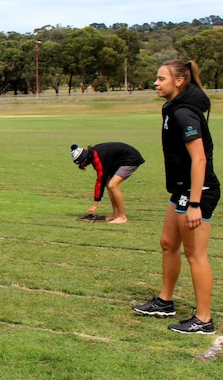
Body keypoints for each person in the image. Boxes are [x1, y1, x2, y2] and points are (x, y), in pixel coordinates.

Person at [132, 60, 220, 334]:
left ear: (179, 81)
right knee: (168, 242)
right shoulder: (173, 109)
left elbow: (200, 159)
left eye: (161, 78)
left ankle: (203, 319)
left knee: (195, 254)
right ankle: (165, 302)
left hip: (198, 191)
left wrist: (194, 204)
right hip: (182, 189)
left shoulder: (184, 114)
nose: (156, 83)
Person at [70, 142, 145, 224]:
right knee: (108, 183)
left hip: (130, 160)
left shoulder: (97, 158)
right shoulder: (94, 153)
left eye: (83, 164)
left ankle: (122, 217)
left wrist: (95, 205)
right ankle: (115, 214)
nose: (84, 166)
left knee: (112, 185)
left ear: (85, 159)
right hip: (119, 161)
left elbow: (100, 180)